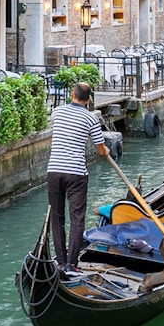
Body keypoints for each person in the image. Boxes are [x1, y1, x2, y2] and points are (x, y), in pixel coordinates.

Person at [47, 82, 109, 276]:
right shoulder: (91, 119)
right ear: (88, 100)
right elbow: (100, 151)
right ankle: (71, 264)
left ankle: (60, 261)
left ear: (72, 94)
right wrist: (105, 150)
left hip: (54, 171)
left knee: (57, 218)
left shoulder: (57, 112)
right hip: (76, 173)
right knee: (77, 218)